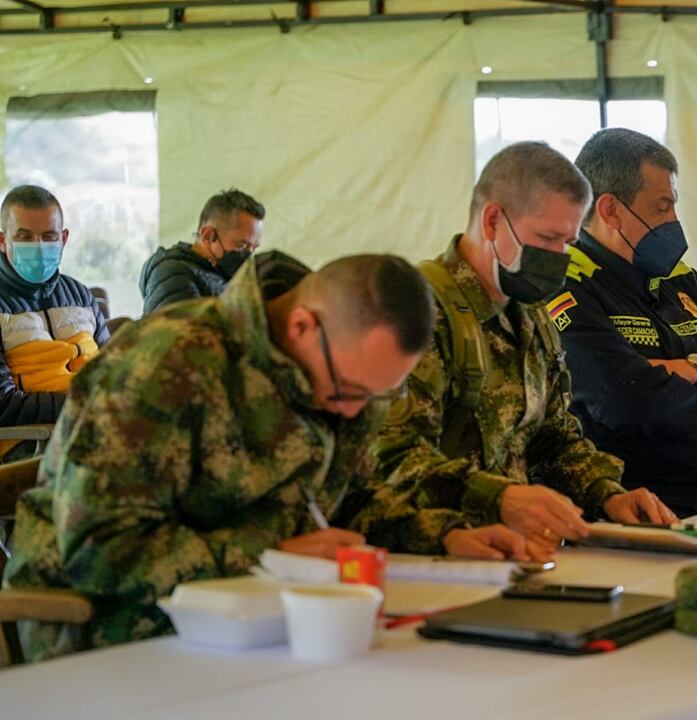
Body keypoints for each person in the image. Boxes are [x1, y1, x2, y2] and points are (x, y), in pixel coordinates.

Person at [3, 252, 528, 662]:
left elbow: (342, 505)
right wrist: (276, 551)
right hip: (110, 633)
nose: (353, 413)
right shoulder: (164, 365)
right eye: (348, 391)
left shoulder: (341, 373)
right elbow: (99, 552)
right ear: (302, 326)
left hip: (262, 623)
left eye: (376, 396)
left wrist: (443, 534)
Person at [372, 141, 676, 557]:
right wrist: (500, 498)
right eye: (547, 238)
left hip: (517, 553)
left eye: (568, 242)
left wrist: (606, 492)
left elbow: (552, 438)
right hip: (433, 555)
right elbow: (388, 458)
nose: (559, 258)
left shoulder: (531, 313)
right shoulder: (420, 313)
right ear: (493, 220)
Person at [553, 128, 697, 517]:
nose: (673, 221)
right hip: (638, 505)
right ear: (611, 210)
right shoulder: (570, 288)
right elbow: (631, 403)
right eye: (661, 208)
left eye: (674, 205)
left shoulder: (679, 278)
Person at [0, 186, 109, 442]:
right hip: (30, 443)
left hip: (95, 429)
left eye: (49, 236)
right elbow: (3, 405)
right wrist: (83, 406)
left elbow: (112, 370)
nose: (38, 247)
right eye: (25, 237)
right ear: (3, 241)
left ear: (64, 238)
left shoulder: (81, 296)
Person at [139, 188, 265, 314]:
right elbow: (180, 331)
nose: (248, 255)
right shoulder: (173, 273)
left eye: (253, 248)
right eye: (241, 245)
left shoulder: (222, 273)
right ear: (208, 236)